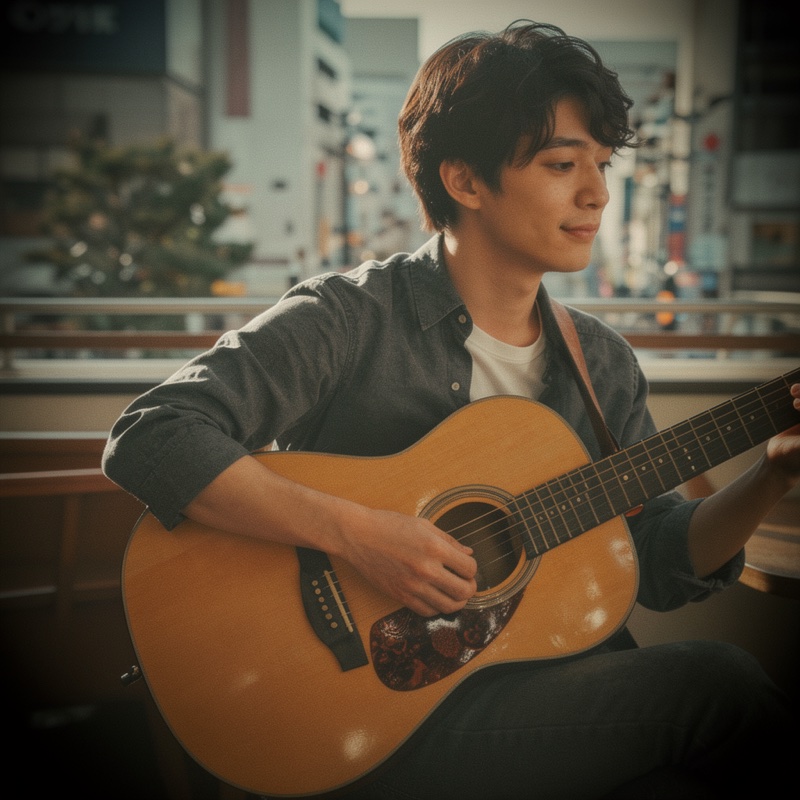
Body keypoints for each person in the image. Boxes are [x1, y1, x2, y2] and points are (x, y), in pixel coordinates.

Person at [103, 21, 800, 799]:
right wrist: (360, 536)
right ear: (464, 181)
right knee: (722, 684)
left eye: (602, 164)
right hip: (364, 719)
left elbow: (662, 564)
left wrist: (771, 476)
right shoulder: (350, 316)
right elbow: (153, 435)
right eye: (562, 164)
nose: (598, 193)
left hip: (547, 696)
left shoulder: (601, 362)